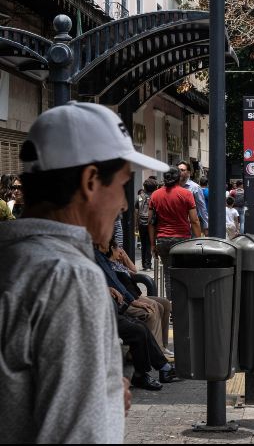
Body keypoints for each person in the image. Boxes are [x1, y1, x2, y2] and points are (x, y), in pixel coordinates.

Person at [0, 101, 169, 442]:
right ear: (90, 180)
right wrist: (101, 406)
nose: (123, 204)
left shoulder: (13, 260)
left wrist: (100, 398)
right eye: (122, 185)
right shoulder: (69, 277)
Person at [149, 167, 202, 299]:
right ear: (178, 178)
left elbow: (150, 222)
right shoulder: (186, 194)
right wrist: (199, 240)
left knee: (168, 274)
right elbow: (194, 220)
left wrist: (152, 244)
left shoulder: (155, 195)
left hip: (162, 240)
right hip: (182, 240)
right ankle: (183, 305)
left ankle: (172, 307)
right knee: (183, 273)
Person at [177, 160, 208, 236]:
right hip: (175, 227)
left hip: (190, 227)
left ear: (188, 173)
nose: (180, 172)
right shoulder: (172, 186)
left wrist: (206, 226)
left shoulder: (195, 187)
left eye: (182, 170)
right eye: (178, 170)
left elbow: (202, 207)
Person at [135, 178, 158, 271]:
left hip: (141, 222)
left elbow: (136, 211)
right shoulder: (155, 197)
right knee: (150, 243)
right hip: (151, 223)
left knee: (144, 244)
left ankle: (144, 263)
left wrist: (136, 224)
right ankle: (148, 264)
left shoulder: (139, 197)